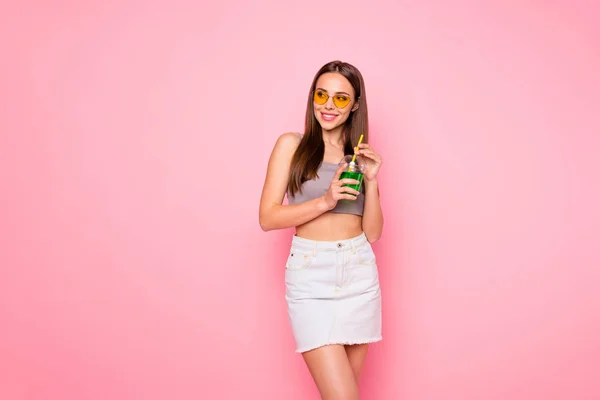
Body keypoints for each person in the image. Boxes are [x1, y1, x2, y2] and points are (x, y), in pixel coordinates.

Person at [259, 60, 384, 400]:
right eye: (322, 94)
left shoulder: (356, 156)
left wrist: (371, 183)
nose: (328, 105)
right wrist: (326, 201)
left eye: (341, 98)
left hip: (358, 270)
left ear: (356, 103)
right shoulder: (291, 145)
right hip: (311, 275)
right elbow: (268, 217)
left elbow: (373, 233)